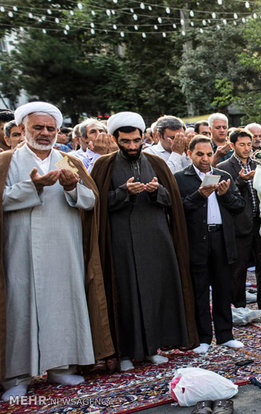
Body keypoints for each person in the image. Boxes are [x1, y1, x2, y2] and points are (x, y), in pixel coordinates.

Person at [0, 102, 113, 400]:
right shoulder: (7, 162)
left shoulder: (68, 161)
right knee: (20, 308)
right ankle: (17, 376)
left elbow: (90, 202)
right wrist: (33, 187)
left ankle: (60, 366)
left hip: (64, 249)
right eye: (38, 127)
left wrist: (72, 188)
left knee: (63, 304)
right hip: (20, 249)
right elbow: (3, 199)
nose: (45, 133)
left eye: (50, 128)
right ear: (22, 129)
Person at [91, 111, 198, 371]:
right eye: (125, 142)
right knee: (126, 295)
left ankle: (152, 349)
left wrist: (155, 191)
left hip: (156, 239)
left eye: (136, 141)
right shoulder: (104, 165)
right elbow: (97, 205)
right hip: (122, 243)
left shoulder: (155, 163)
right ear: (115, 139)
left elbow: (171, 199)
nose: (131, 146)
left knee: (155, 292)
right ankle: (126, 353)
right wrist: (122, 193)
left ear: (143, 138)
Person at [175, 136, 246, 353]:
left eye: (208, 154)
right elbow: (178, 211)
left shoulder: (223, 175)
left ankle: (225, 335)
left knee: (224, 288)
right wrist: (199, 196)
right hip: (197, 240)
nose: (205, 159)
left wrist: (224, 196)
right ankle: (203, 337)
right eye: (200, 154)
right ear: (190, 154)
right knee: (200, 290)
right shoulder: (181, 178)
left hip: (222, 238)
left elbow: (238, 206)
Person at [218, 128, 261, 311]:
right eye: (242, 145)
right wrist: (240, 181)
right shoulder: (225, 168)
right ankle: (238, 305)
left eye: (249, 144)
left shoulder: (258, 164)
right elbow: (228, 198)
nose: (246, 148)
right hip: (239, 224)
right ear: (232, 145)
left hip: (260, 221)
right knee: (239, 267)